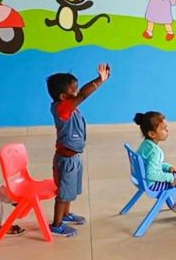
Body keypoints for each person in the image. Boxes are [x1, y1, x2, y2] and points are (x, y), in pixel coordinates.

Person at [46, 63, 111, 237]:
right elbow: (83, 94)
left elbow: (81, 94)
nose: (77, 92)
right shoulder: (62, 108)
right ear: (63, 96)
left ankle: (66, 215)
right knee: (63, 193)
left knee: (69, 190)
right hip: (65, 160)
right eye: (74, 90)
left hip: (74, 158)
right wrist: (100, 80)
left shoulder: (69, 107)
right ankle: (56, 225)